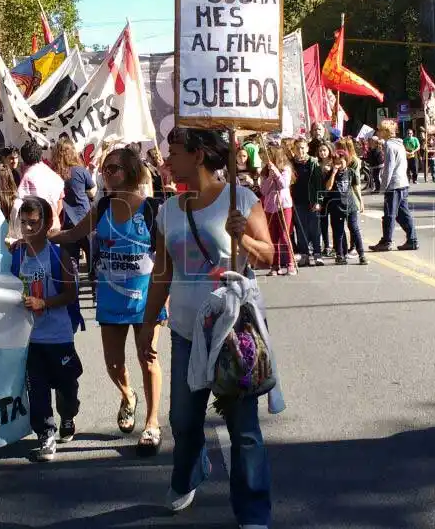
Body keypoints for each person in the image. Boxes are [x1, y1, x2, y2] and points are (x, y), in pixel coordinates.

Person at [136, 128, 275, 528]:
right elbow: (162, 273)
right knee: (183, 421)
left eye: (174, 152)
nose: (167, 160)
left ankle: (253, 510)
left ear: (198, 155)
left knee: (243, 428)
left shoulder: (240, 199)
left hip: (231, 333)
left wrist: (244, 240)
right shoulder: (168, 210)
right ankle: (189, 474)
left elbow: (268, 256)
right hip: (184, 332)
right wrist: (148, 322)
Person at [50, 147, 166, 455]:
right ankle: (128, 395)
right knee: (113, 364)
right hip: (111, 298)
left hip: (145, 299)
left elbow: (164, 261)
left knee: (148, 358)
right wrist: (38, 238)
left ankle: (152, 423)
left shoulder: (151, 209)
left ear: (130, 171)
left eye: (113, 168)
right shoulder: (102, 207)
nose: (106, 173)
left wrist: (164, 299)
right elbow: (73, 234)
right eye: (105, 169)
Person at [13, 196, 82, 462]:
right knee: (37, 390)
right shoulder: (17, 255)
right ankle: (45, 434)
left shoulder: (58, 255)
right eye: (24, 223)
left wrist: (44, 303)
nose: (28, 228)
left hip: (58, 336)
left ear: (47, 223)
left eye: (34, 223)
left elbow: (70, 294)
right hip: (30, 339)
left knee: (67, 387)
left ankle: (68, 415)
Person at [370, 119, 418, 252]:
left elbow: (388, 168)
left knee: (389, 214)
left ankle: (387, 241)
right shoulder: (399, 144)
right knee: (403, 214)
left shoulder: (389, 146)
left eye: (379, 130)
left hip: (394, 185)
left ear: (385, 132)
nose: (378, 132)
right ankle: (412, 240)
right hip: (402, 183)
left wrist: (383, 186)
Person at [51, 138, 95, 270]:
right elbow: (92, 191)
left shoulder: (54, 174)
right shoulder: (80, 171)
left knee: (70, 264)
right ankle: (93, 282)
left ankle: (73, 283)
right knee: (93, 260)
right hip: (85, 220)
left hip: (66, 222)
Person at [324, 149, 367, 265]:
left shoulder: (351, 172)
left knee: (354, 229)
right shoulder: (331, 173)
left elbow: (356, 187)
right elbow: (328, 187)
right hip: (336, 206)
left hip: (350, 205)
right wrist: (333, 173)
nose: (339, 164)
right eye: (336, 161)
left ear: (346, 161)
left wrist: (360, 202)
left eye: (341, 161)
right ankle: (340, 255)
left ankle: (362, 254)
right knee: (338, 231)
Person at [259, 144, 296, 275]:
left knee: (284, 236)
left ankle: (290, 263)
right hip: (270, 207)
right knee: (273, 237)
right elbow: (264, 190)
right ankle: (275, 265)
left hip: (284, 206)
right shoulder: (264, 171)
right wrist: (270, 176)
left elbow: (283, 185)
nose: (264, 158)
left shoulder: (286, 168)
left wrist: (276, 173)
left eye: (267, 155)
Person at [17, 139, 65, 232]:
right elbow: (60, 202)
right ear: (41, 155)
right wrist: (54, 218)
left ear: (23, 159)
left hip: (38, 227)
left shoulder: (28, 177)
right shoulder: (53, 174)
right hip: (54, 224)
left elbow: (20, 203)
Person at [290, 139, 323, 267]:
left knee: (315, 229)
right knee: (301, 229)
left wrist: (318, 201)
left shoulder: (313, 162)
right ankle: (304, 255)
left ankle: (317, 254)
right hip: (297, 201)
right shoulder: (291, 163)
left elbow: (319, 184)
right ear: (294, 150)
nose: (300, 151)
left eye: (303, 148)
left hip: (312, 201)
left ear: (307, 148)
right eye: (298, 148)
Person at [316, 142, 335, 257]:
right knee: (323, 222)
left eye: (324, 150)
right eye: (320, 151)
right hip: (322, 196)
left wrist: (331, 170)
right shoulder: (317, 164)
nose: (322, 153)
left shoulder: (334, 163)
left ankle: (337, 247)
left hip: (333, 196)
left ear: (329, 151)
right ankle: (326, 245)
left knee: (335, 222)